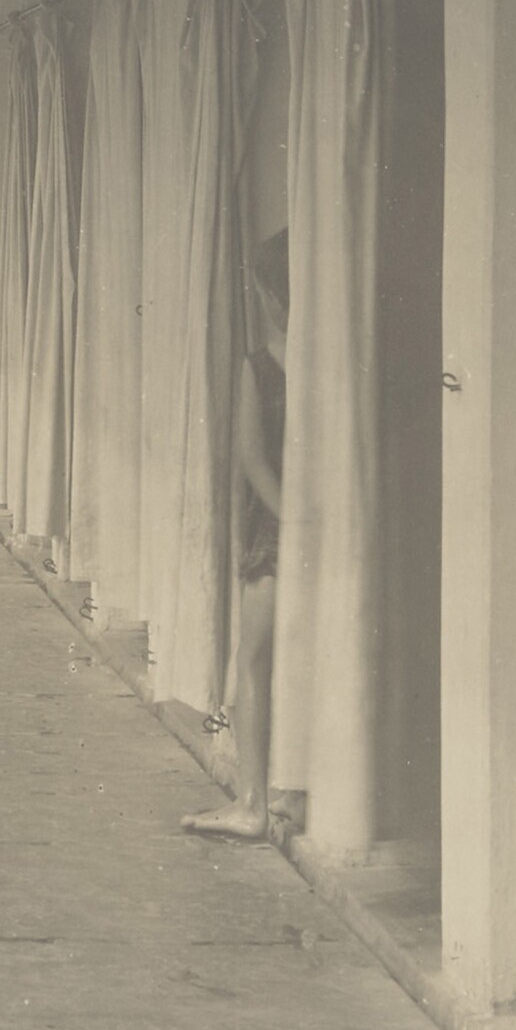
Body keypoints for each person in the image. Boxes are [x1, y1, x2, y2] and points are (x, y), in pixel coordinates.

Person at [184, 228, 288, 842]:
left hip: (274, 534)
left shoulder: (261, 366)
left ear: (268, 294)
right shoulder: (335, 367)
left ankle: (252, 802)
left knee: (252, 659)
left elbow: (252, 460)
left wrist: (291, 524)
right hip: (320, 529)